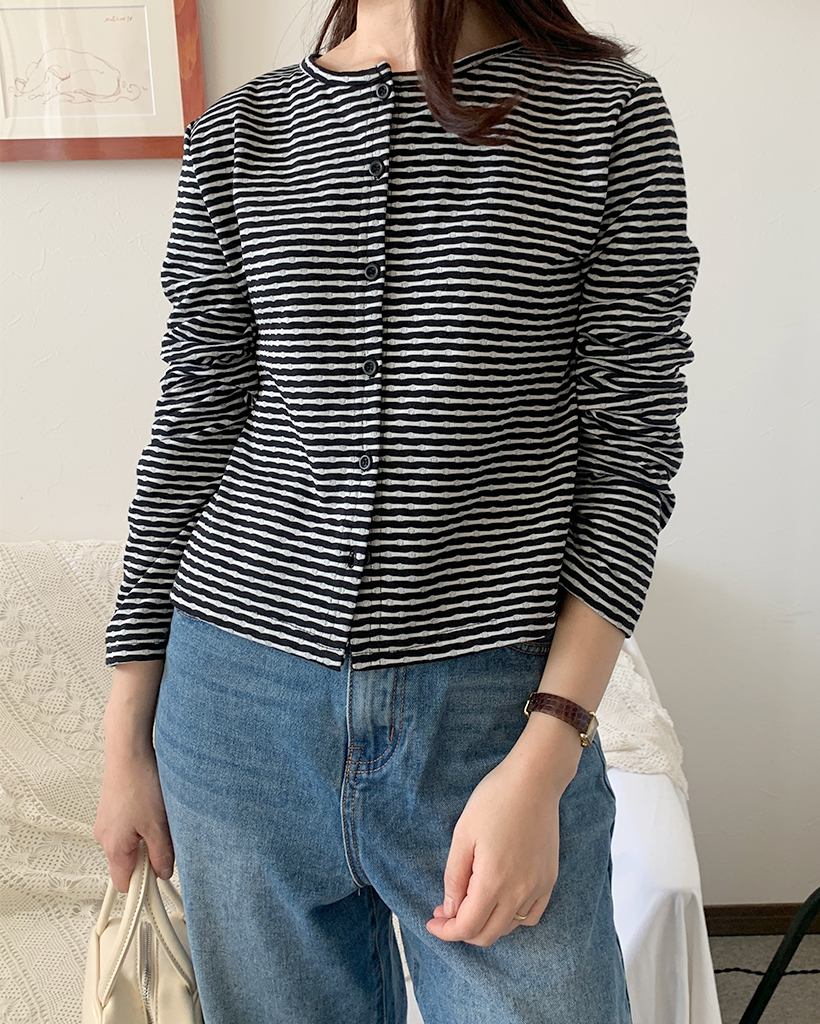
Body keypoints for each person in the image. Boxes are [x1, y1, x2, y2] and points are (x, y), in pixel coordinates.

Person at [94, 0, 699, 1021]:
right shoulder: (241, 132)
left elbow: (630, 449)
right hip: (237, 708)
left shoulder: (606, 115)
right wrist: (125, 743)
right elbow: (193, 424)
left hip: (490, 709)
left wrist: (548, 752)